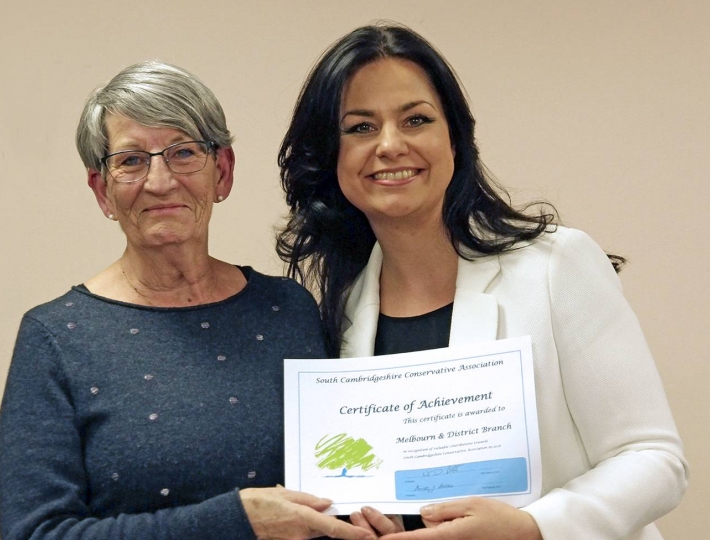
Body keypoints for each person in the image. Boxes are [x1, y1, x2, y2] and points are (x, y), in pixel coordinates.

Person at [277, 24, 688, 540]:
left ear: (454, 137)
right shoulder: (342, 311)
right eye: (359, 127)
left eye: (416, 120)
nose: (389, 145)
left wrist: (532, 527)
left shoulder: (557, 264)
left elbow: (655, 459)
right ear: (329, 156)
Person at [0, 61, 377, 540]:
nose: (160, 181)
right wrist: (237, 521)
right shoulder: (55, 338)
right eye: (131, 160)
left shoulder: (288, 309)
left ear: (222, 172)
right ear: (103, 191)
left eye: (183, 152)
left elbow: (344, 470)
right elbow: (35, 534)